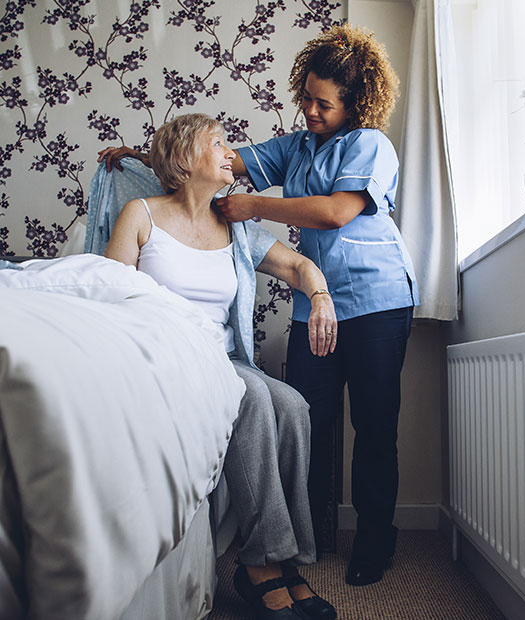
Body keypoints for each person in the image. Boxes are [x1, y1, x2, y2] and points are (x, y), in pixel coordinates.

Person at [99, 23, 420, 588]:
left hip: (374, 300)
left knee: (373, 425)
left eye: (323, 104)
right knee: (306, 415)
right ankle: (309, 535)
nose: (310, 111)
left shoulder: (372, 145)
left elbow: (337, 212)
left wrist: (256, 208)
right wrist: (139, 157)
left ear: (354, 103)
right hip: (310, 307)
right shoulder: (293, 148)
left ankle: (375, 538)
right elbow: (204, 163)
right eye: (307, 98)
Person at [103, 113, 337, 620]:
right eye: (219, 143)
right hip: (168, 358)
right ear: (185, 159)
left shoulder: (234, 226)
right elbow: (112, 294)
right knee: (250, 398)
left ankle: (289, 561)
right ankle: (260, 569)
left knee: (293, 406)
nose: (231, 153)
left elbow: (297, 265)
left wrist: (319, 295)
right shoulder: (140, 214)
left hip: (224, 358)